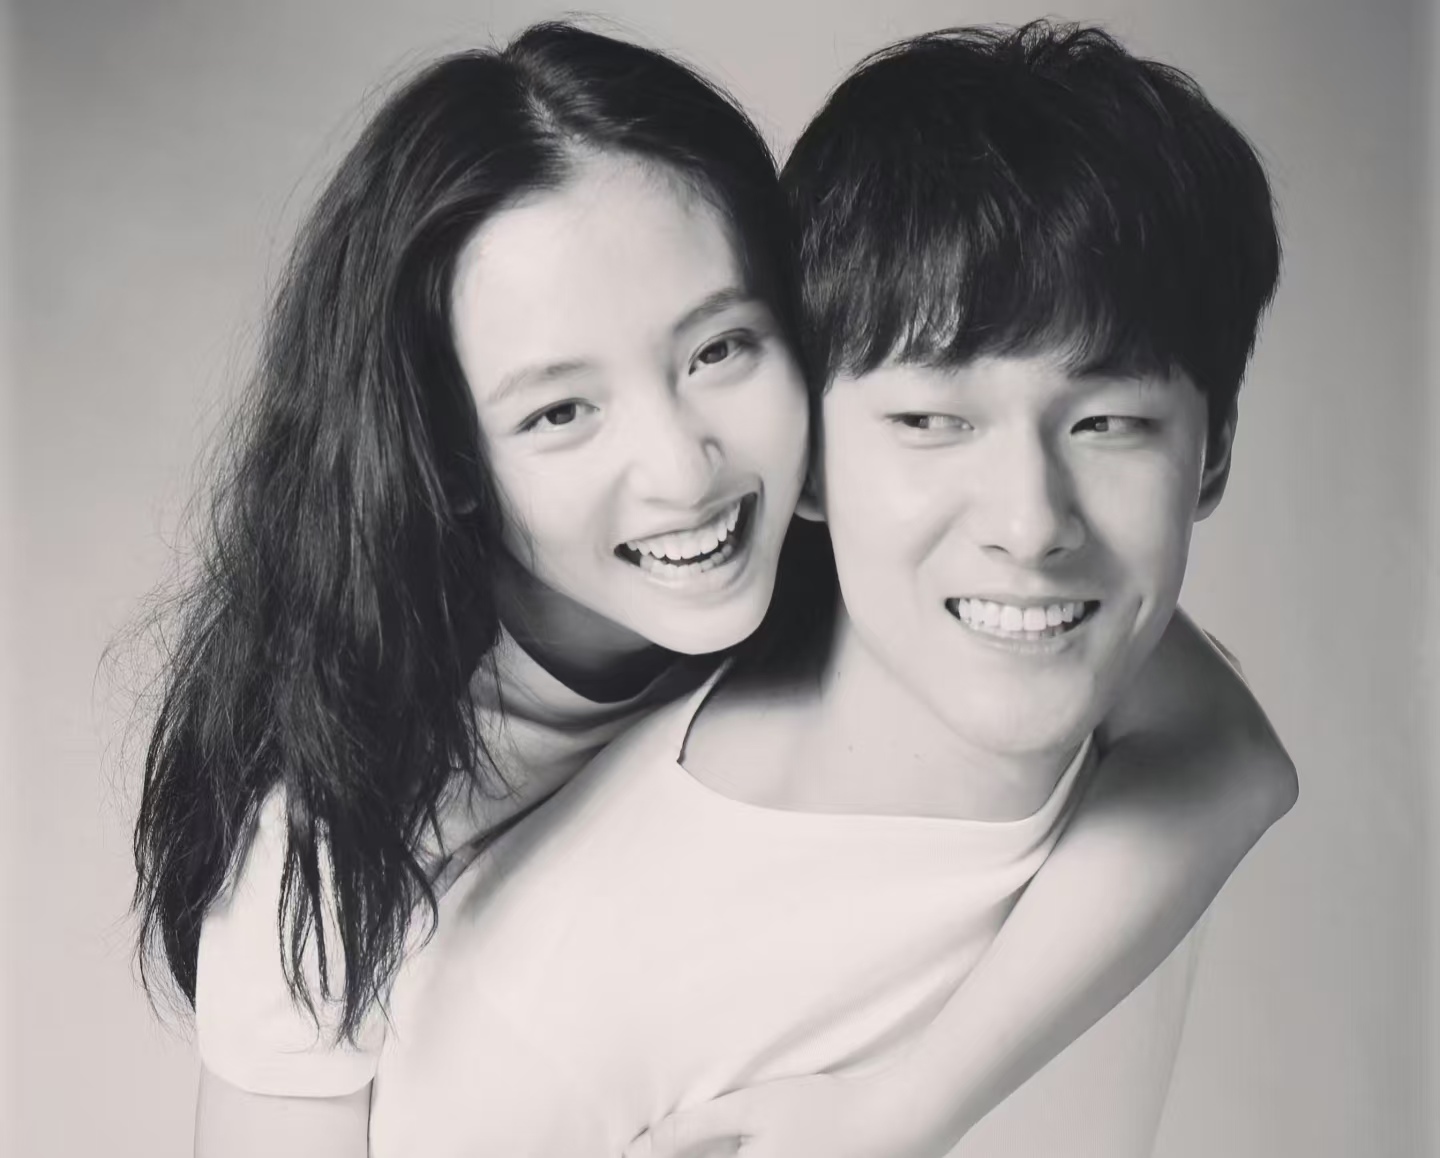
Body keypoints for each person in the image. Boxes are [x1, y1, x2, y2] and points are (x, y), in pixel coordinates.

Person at [127, 21, 1291, 1158]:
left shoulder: (884, 535)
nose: (684, 471)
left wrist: (908, 1106)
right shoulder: (336, 830)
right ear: (449, 462)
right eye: (561, 411)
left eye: (719, 350)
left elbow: (1227, 756)